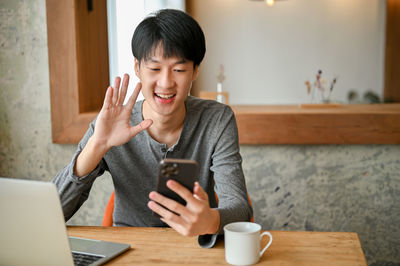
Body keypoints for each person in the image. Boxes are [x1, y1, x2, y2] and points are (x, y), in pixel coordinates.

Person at [53, 9, 252, 248]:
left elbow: (240, 208)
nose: (166, 82)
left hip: (195, 249)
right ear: (137, 67)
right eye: (155, 69)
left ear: (195, 71)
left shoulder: (217, 119)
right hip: (129, 251)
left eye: (179, 70)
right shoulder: (111, 123)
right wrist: (97, 145)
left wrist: (210, 221)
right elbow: (54, 213)